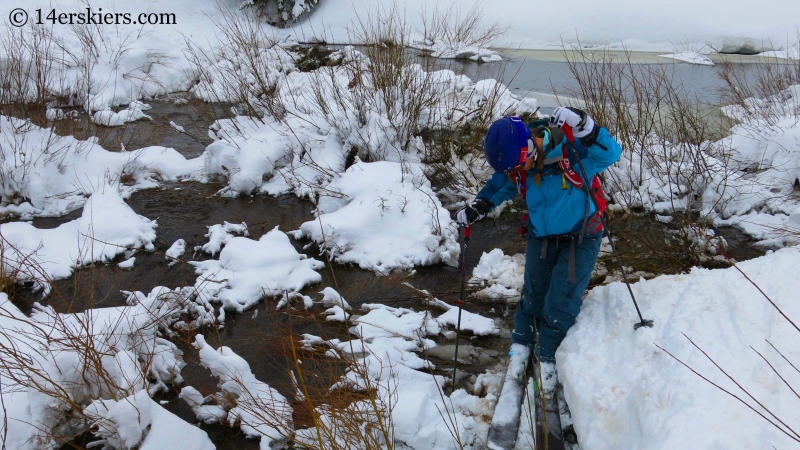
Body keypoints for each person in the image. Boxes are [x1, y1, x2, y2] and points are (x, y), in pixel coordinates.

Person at [457, 107, 622, 395]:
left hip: (580, 238)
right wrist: (480, 205)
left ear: (530, 146)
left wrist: (586, 126)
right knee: (533, 294)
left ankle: (547, 356)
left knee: (561, 300)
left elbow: (609, 153)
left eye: (521, 166)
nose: (518, 173)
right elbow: (500, 185)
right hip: (542, 236)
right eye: (514, 170)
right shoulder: (516, 163)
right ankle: (521, 345)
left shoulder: (571, 149)